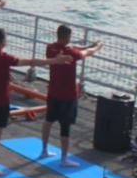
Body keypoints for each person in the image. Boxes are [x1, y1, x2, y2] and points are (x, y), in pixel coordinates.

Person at [0, 29, 72, 176]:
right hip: (0, 100)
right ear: (2, 42)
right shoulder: (4, 57)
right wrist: (55, 61)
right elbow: (31, 61)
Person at [40, 26, 103, 165]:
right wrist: (97, 46)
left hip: (53, 92)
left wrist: (88, 45)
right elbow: (87, 52)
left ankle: (43, 150)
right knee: (65, 126)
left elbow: (75, 47)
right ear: (67, 36)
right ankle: (63, 159)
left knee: (48, 120)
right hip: (67, 95)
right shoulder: (70, 53)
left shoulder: (50, 48)